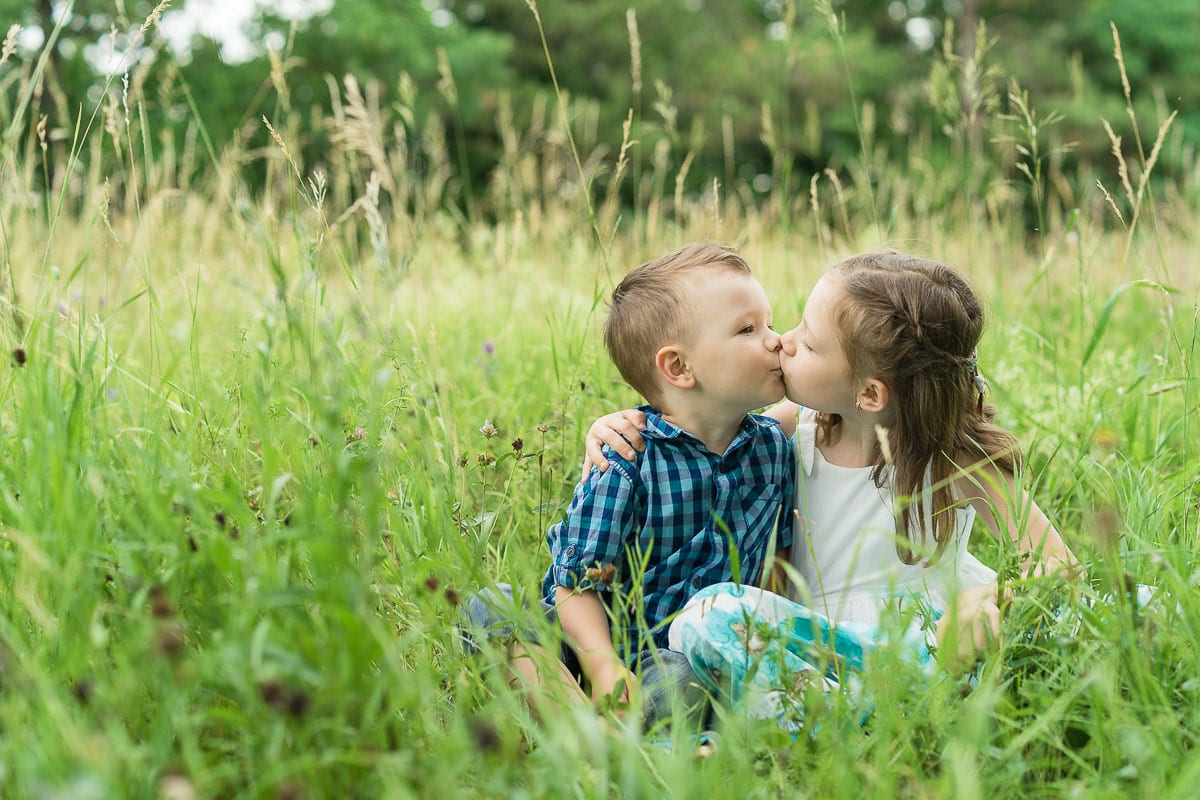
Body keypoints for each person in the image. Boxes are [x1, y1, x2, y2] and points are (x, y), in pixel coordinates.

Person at [583, 250, 1079, 723]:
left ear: (869, 392)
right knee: (709, 615)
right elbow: (693, 428)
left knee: (1115, 612)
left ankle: (880, 704)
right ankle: (863, 709)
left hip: (930, 638)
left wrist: (993, 598)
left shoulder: (955, 456)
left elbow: (1061, 565)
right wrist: (616, 426)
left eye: (810, 341)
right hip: (818, 644)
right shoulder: (795, 426)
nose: (784, 342)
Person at [461, 242, 796, 728]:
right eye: (748, 329)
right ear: (679, 368)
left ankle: (620, 735)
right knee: (492, 606)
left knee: (684, 682)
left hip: (678, 656)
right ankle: (579, 726)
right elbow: (574, 582)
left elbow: (776, 566)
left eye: (770, 322)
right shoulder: (627, 454)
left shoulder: (773, 449)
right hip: (585, 644)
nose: (776, 341)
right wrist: (604, 669)